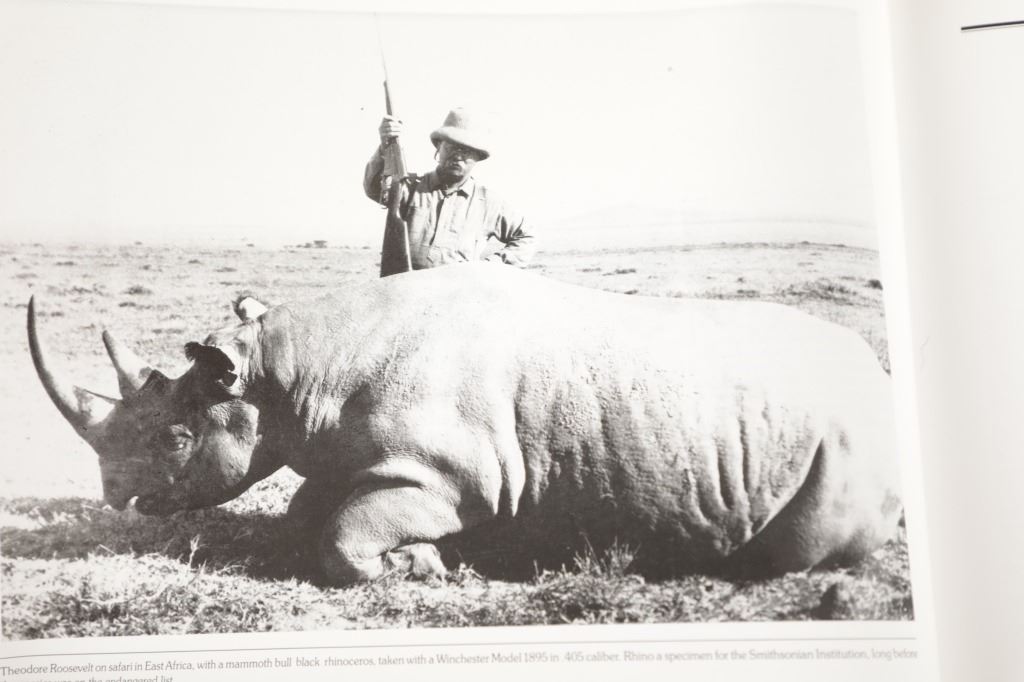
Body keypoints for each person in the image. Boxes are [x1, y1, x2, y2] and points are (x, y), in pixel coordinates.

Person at [364, 108, 535, 277]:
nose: (457, 156)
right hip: (406, 288)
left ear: (478, 156)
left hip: (458, 292)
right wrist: (385, 144)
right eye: (451, 147)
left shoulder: (489, 203)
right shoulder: (409, 187)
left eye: (467, 150)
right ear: (439, 146)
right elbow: (373, 188)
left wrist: (488, 268)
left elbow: (527, 237)